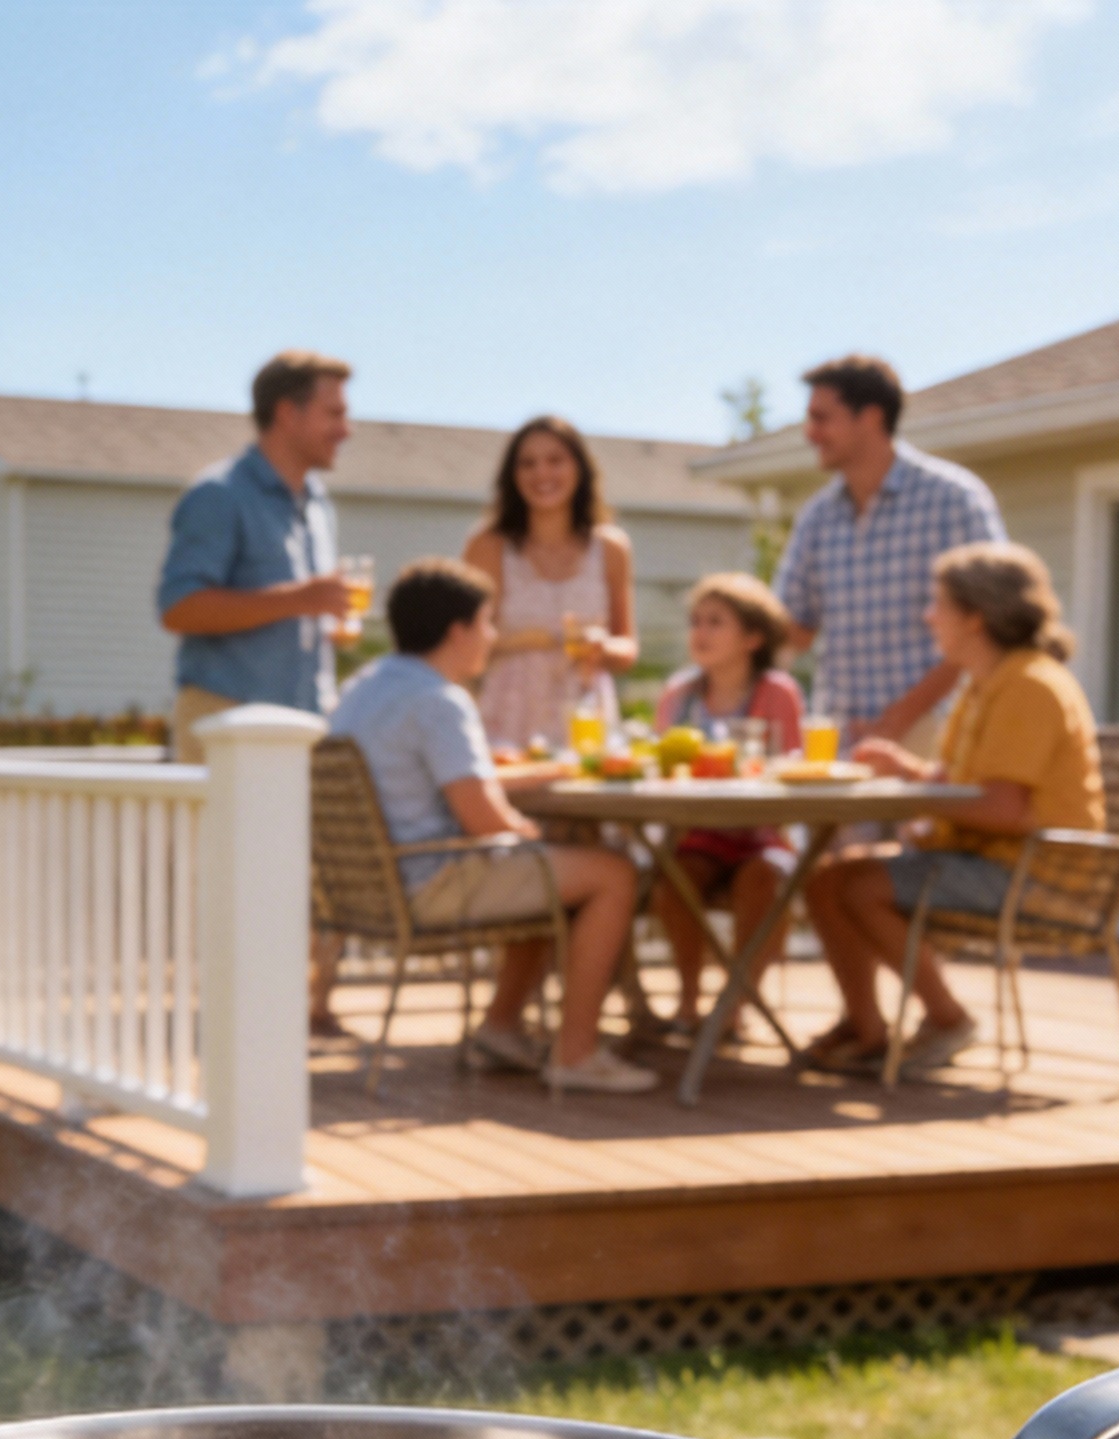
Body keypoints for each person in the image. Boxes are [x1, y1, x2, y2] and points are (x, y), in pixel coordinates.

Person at [324, 558, 656, 1095]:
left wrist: (543, 781)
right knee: (611, 875)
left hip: (370, 886)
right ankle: (576, 1054)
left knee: (554, 864)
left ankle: (502, 1027)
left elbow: (449, 781)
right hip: (431, 881)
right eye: (487, 623)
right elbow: (484, 820)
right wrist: (532, 833)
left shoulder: (363, 688)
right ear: (458, 631)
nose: (493, 637)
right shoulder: (439, 701)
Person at [798, 543, 1105, 1077]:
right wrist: (911, 771)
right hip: (986, 857)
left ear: (974, 618)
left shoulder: (1029, 686)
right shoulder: (984, 684)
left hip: (1035, 872)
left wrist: (915, 794)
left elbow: (1004, 810)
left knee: (860, 886)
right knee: (825, 878)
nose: (928, 616)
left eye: (938, 604)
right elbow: (971, 787)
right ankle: (866, 1029)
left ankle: (948, 1019)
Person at [156, 349, 357, 1036]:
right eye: (334, 412)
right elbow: (179, 607)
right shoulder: (219, 495)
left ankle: (293, 1017)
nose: (347, 428)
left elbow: (298, 610)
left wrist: (321, 621)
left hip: (303, 723)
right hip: (225, 716)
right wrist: (300, 599)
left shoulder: (317, 504)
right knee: (231, 883)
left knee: (305, 877)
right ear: (287, 412)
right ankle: (227, 1028)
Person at [770, 354, 1007, 750]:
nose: (810, 433)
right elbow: (791, 629)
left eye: (821, 418)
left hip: (937, 735)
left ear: (871, 417)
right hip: (842, 741)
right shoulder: (817, 518)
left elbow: (991, 624)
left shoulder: (953, 500)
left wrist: (898, 721)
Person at [642, 574, 806, 1039]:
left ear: (753, 637)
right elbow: (659, 767)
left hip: (760, 833)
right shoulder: (680, 695)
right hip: (696, 832)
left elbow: (790, 771)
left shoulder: (776, 692)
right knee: (676, 878)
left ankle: (735, 1002)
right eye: (696, 621)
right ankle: (689, 1000)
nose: (701, 632)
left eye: (716, 622)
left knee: (763, 881)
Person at [460, 416, 635, 753]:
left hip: (585, 715)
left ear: (579, 468)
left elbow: (627, 648)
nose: (542, 473)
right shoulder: (488, 545)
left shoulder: (611, 548)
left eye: (555, 460)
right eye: (528, 463)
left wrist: (601, 647)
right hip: (505, 716)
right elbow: (458, 643)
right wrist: (535, 639)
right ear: (512, 475)